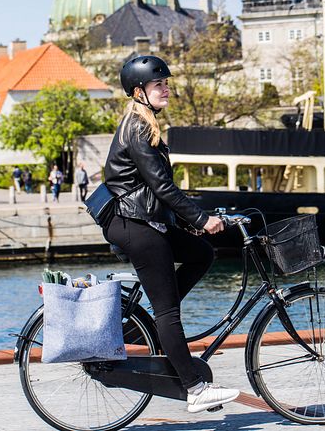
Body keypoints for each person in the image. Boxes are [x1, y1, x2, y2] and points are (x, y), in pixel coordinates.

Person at [102, 55, 240, 413]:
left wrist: (187, 223)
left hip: (145, 219)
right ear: (139, 91)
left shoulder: (144, 123)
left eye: (166, 83)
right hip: (134, 226)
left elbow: (153, 190)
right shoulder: (137, 127)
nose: (166, 89)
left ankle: (152, 326)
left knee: (201, 253)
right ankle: (194, 389)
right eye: (158, 84)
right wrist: (201, 217)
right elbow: (161, 186)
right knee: (168, 311)